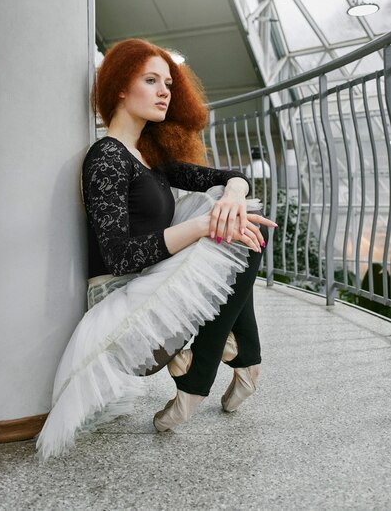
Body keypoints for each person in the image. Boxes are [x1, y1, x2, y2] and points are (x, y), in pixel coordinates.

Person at [36, 39, 276, 459]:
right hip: (122, 295)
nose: (165, 90)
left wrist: (235, 193)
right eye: (151, 80)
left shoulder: (150, 158)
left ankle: (230, 362)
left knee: (241, 224)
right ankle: (213, 370)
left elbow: (230, 175)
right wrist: (204, 225)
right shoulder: (106, 156)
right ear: (119, 89)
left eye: (167, 82)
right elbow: (120, 256)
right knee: (234, 233)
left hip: (153, 283)